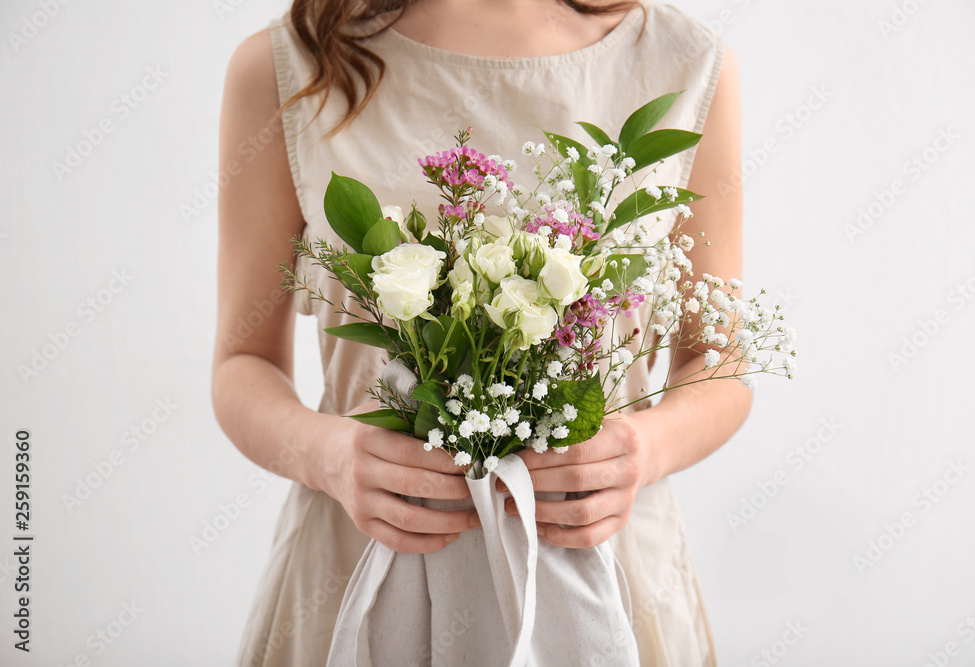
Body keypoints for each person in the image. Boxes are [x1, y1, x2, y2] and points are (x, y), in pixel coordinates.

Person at [212, 0, 747, 664]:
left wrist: (641, 449)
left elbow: (719, 360)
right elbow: (241, 363)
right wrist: (332, 456)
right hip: (359, 564)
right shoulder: (288, 66)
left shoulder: (683, 63)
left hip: (610, 573)